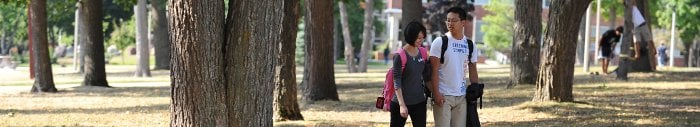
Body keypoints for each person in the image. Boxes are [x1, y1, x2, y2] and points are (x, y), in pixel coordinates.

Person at [428, 7, 480, 127]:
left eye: (454, 20)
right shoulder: (440, 42)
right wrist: (436, 93)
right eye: (448, 20)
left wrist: (475, 90)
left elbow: (473, 69)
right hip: (443, 96)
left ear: (463, 22)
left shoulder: (470, 44)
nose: (450, 23)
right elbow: (433, 71)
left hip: (461, 97)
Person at [390, 21, 431, 127]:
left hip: (419, 102)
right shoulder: (400, 55)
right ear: (411, 37)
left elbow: (426, 76)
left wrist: (435, 92)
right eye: (419, 38)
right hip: (400, 103)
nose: (421, 41)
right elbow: (397, 81)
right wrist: (402, 105)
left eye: (423, 38)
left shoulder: (423, 52)